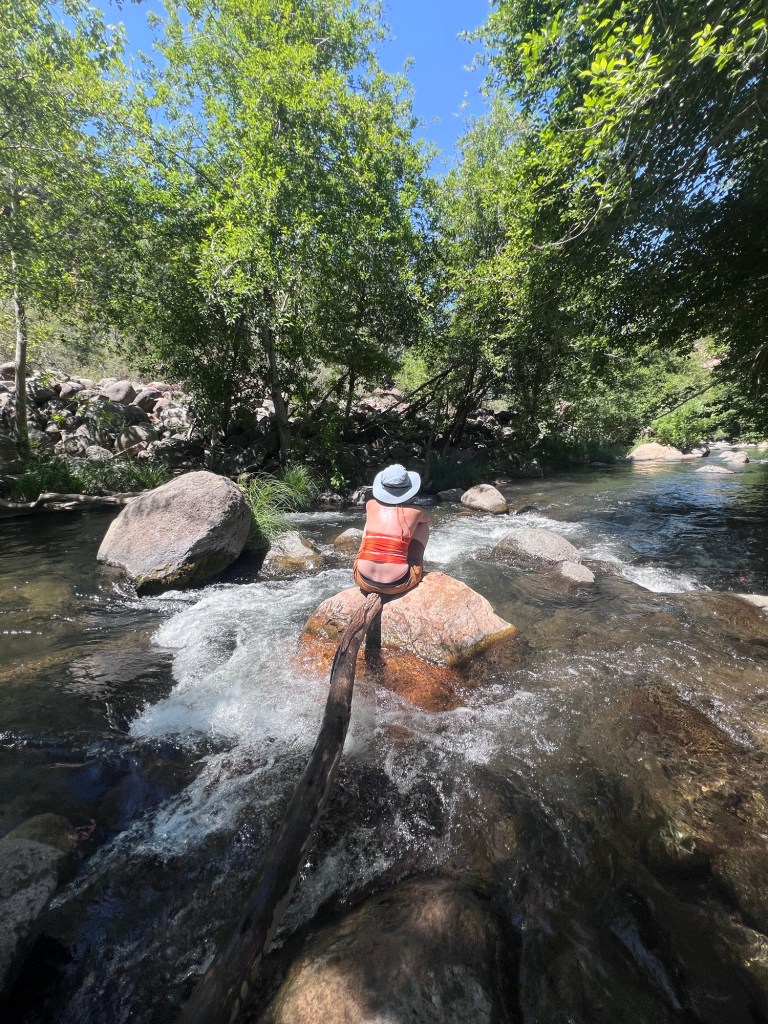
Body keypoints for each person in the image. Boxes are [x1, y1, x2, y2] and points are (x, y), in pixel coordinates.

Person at [353, 464, 430, 597]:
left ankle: (370, 557)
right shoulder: (416, 511)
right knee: (422, 524)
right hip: (398, 584)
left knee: (369, 524)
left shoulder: (370, 505)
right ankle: (412, 560)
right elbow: (426, 520)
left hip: (362, 579)